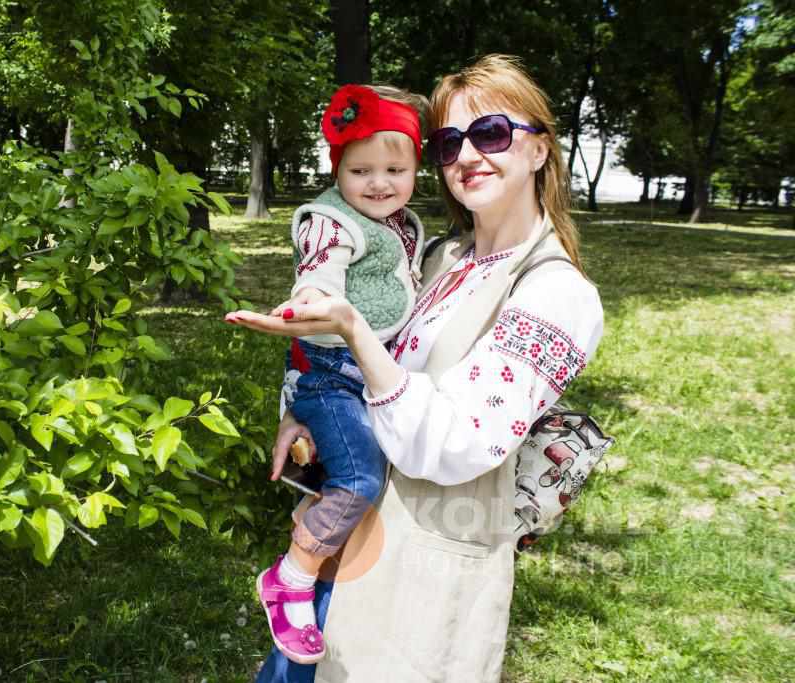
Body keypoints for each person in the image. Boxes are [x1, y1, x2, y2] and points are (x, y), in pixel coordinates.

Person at [225, 54, 605, 682]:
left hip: (423, 572)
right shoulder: (440, 255)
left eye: (491, 134)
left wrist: (350, 329)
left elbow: (456, 442)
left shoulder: (556, 295)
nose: (467, 155)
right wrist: (306, 401)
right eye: (450, 141)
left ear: (540, 150)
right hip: (345, 548)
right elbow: (361, 347)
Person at [249, 83, 429, 665]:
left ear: (415, 170)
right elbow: (319, 271)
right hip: (330, 374)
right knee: (356, 478)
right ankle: (292, 577)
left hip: (368, 372)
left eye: (394, 169)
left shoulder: (401, 224)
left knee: (359, 482)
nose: (378, 183)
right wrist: (309, 302)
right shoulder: (331, 221)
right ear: (337, 170)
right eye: (361, 170)